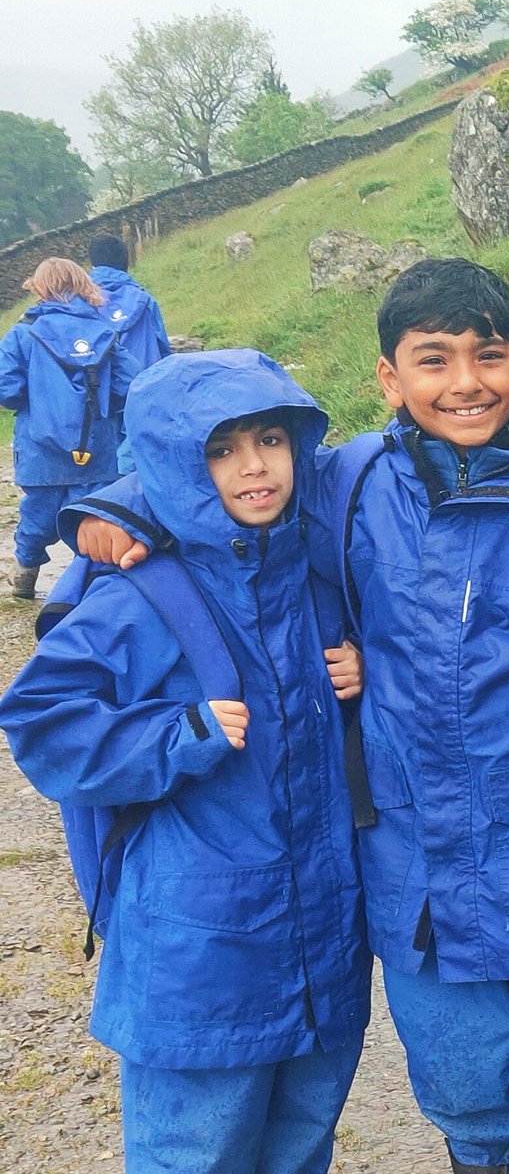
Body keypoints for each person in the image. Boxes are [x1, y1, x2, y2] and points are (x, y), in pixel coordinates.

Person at [62, 259, 509, 1174]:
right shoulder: (344, 484)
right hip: (416, 866)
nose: (463, 383)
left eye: (488, 356)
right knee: (470, 1099)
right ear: (389, 379)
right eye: (432, 361)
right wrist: (110, 509)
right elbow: (221, 478)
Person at [0, 349, 372, 1174]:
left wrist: (362, 673)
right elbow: (41, 717)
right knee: (193, 1156)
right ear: (173, 460)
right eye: (219, 449)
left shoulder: (311, 573)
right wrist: (178, 736)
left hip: (322, 945)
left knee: (300, 1144)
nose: (253, 467)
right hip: (197, 961)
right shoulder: (141, 593)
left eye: (271, 439)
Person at [0, 257, 141, 599]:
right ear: (83, 287)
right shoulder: (106, 334)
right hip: (97, 450)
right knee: (91, 519)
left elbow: (8, 392)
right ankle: (89, 588)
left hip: (40, 451)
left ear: (40, 288)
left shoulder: (22, 335)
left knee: (37, 516)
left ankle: (25, 577)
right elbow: (131, 385)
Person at [89, 234, 171, 368]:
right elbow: (163, 347)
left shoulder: (80, 302)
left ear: (93, 266)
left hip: (102, 385)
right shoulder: (145, 300)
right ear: (126, 263)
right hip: (145, 380)